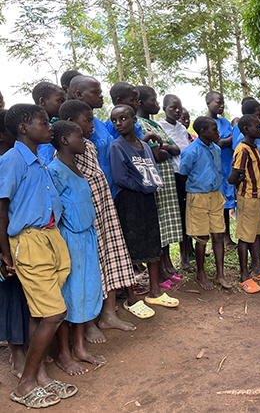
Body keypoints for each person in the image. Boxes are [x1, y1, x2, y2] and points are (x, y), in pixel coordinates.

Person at [0, 104, 77, 407]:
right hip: (29, 242)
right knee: (54, 313)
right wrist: (6, 255)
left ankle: (41, 377)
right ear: (23, 128)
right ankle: (24, 385)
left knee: (40, 311)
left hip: (50, 238)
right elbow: (1, 210)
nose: (50, 128)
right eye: (44, 123)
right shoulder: (11, 161)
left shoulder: (39, 159)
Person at [58, 100, 138, 339]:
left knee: (110, 261)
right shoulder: (63, 156)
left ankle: (108, 314)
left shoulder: (89, 147)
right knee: (89, 269)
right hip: (85, 221)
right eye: (88, 120)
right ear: (71, 124)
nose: (93, 124)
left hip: (105, 214)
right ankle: (88, 321)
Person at [48, 121, 105, 376]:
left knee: (85, 290)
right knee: (69, 294)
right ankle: (64, 353)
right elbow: (54, 210)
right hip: (69, 238)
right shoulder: (54, 171)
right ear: (64, 141)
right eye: (79, 136)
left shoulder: (78, 166)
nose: (84, 141)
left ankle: (80, 347)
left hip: (87, 237)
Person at [110, 105, 179, 311]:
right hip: (130, 200)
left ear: (134, 120)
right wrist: (143, 187)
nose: (118, 123)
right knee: (131, 246)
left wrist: (150, 187)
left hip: (148, 199)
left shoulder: (144, 146)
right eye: (114, 120)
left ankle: (155, 291)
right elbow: (120, 177)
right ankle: (132, 297)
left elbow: (153, 170)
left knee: (152, 241)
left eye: (123, 118)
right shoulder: (117, 146)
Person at [135, 86, 184, 288]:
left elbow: (175, 148)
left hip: (165, 181)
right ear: (140, 102)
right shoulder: (138, 123)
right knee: (157, 226)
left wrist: (162, 146)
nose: (156, 104)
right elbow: (157, 154)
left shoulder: (153, 124)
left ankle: (167, 266)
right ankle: (160, 272)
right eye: (153, 100)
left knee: (165, 224)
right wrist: (162, 148)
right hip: (154, 181)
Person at [229, 114, 260, 294]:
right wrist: (238, 178)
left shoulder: (254, 147)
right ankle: (244, 276)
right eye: (257, 127)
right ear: (245, 130)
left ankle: (257, 268)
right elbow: (233, 177)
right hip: (248, 198)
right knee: (245, 237)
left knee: (257, 234)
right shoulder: (242, 150)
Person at [178, 116, 229, 291]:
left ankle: (220, 275)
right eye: (214, 129)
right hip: (198, 196)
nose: (218, 132)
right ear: (203, 132)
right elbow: (183, 175)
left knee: (218, 234)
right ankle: (201, 274)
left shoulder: (216, 148)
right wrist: (195, 188)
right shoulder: (191, 151)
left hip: (215, 195)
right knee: (201, 238)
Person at [0, 108, 31, 381]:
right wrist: (4, 252)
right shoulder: (6, 161)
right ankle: (17, 350)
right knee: (9, 292)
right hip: (4, 242)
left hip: (21, 238)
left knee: (24, 292)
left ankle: (26, 344)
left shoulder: (22, 160)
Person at [158, 94, 194, 271]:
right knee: (176, 216)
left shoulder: (182, 127)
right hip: (171, 176)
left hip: (186, 175)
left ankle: (185, 257)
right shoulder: (159, 126)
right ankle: (171, 261)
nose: (177, 111)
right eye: (173, 107)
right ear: (164, 108)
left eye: (179, 107)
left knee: (187, 216)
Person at [68, 75, 115, 195]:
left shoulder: (98, 123)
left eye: (100, 92)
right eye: (95, 92)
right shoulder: (75, 127)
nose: (101, 96)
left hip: (112, 189)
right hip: (93, 192)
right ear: (79, 95)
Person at [205, 91, 236, 249]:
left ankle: (227, 238)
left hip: (227, 166)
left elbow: (227, 142)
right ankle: (214, 242)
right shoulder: (205, 123)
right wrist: (231, 137)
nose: (221, 105)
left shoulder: (224, 121)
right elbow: (217, 143)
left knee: (225, 204)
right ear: (208, 103)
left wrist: (227, 140)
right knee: (215, 206)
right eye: (218, 102)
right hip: (213, 168)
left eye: (223, 102)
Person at [32, 81, 66, 165]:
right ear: (43, 101)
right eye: (60, 101)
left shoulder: (51, 126)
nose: (64, 105)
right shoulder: (37, 129)